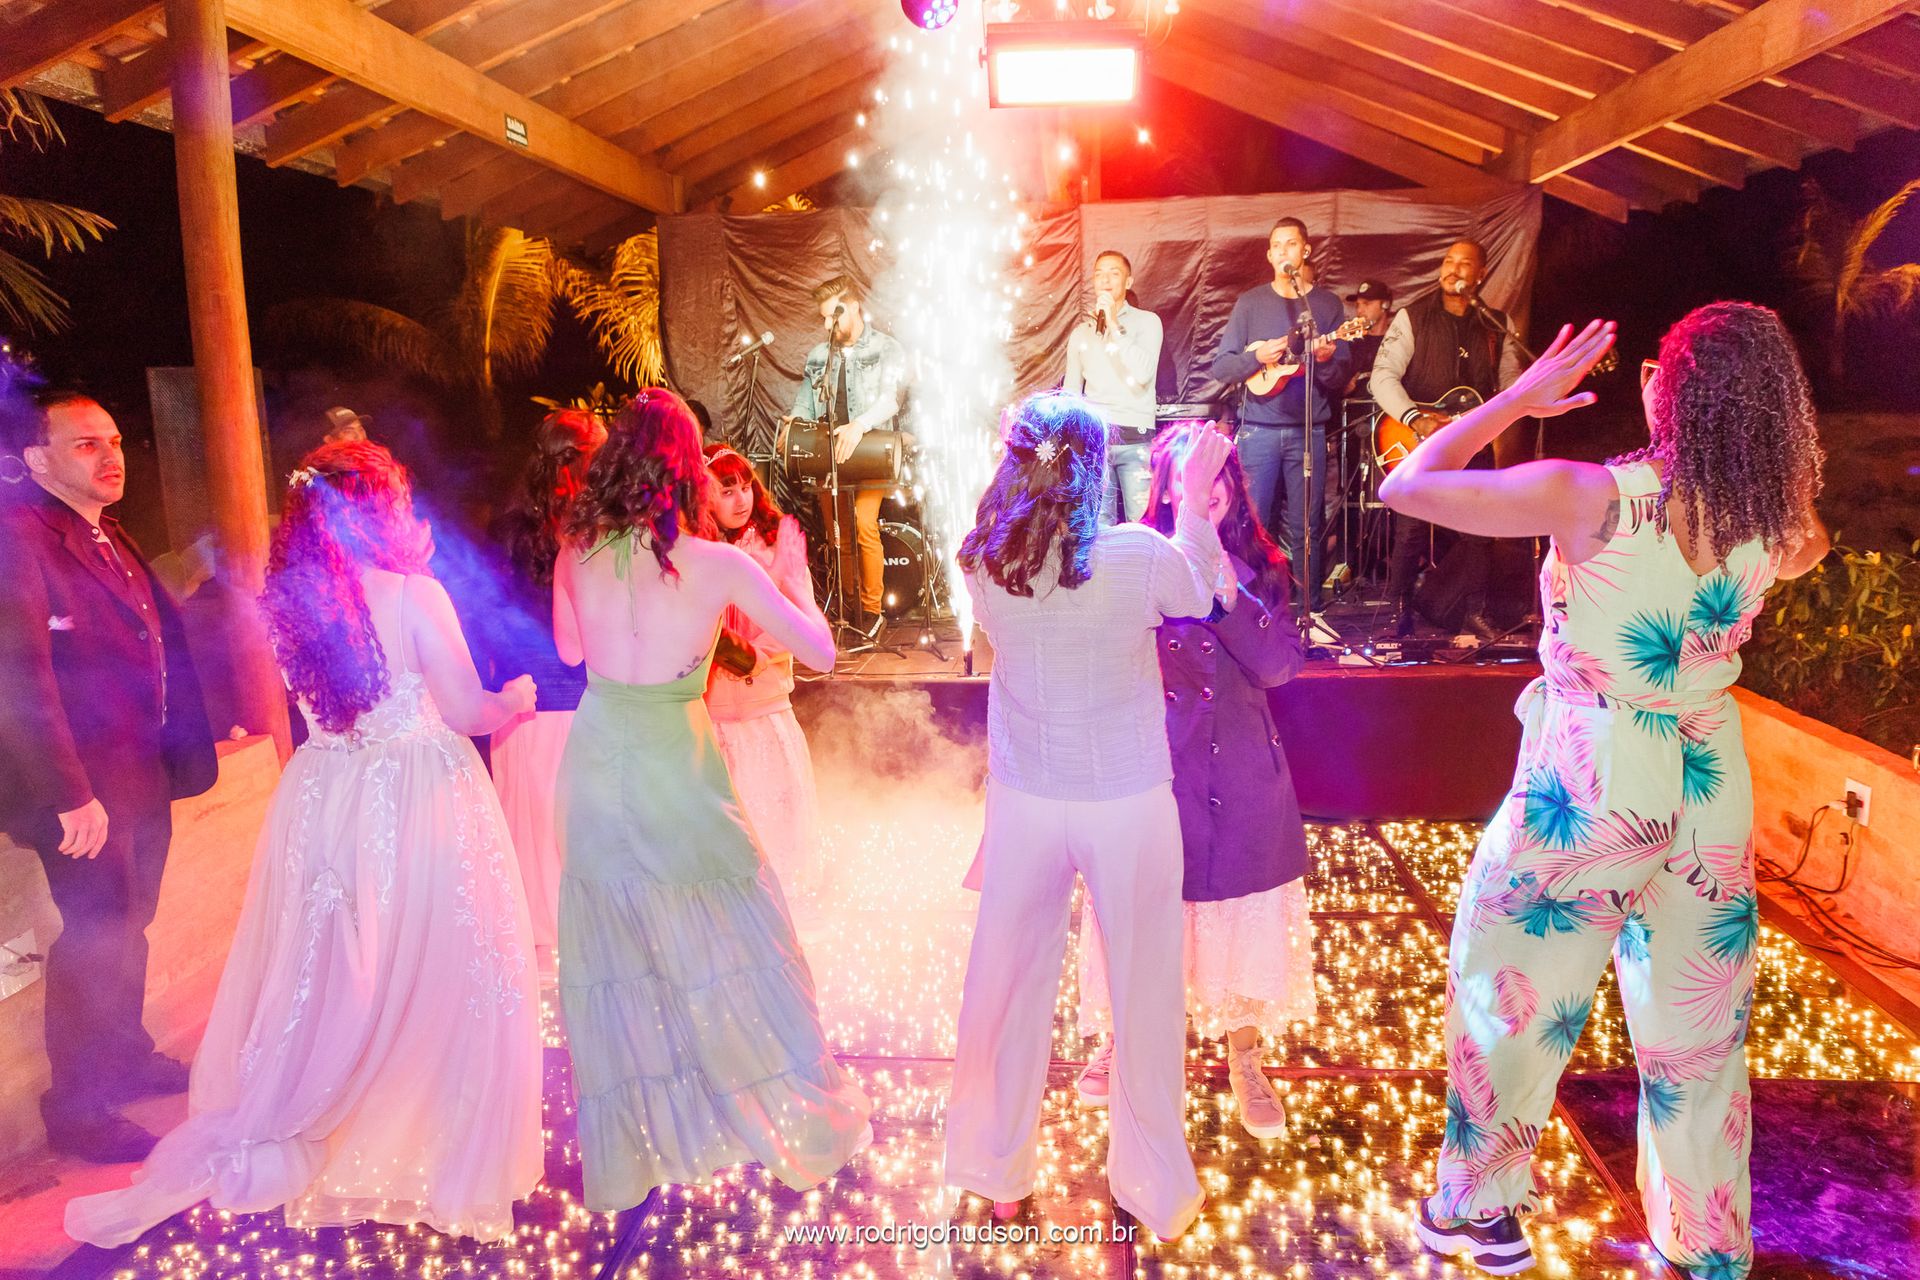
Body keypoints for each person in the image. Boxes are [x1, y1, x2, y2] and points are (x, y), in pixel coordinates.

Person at [1379, 305, 1828, 1280]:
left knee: (1513, 985)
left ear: (1668, 392)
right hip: (1709, 775)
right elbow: (1809, 543)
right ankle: (1706, 1241)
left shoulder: (1595, 495)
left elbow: (1407, 484)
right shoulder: (1778, 522)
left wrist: (1517, 397)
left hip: (1596, 771)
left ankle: (1479, 1209)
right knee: (1700, 1029)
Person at [65, 440, 545, 1245]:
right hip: (416, 793)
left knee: (338, 966)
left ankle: (330, 1104)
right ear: (382, 512)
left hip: (325, 794)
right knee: (428, 963)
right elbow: (464, 709)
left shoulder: (287, 600)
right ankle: (415, 1118)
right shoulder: (414, 593)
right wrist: (516, 701)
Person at [552, 389, 872, 1228]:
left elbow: (571, 650)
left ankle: (646, 1142)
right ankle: (775, 1112)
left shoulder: (576, 548)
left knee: (620, 958)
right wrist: (774, 584)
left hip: (593, 764)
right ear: (687, 467)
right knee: (742, 934)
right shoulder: (715, 563)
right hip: (676, 766)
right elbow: (823, 651)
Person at [944, 392, 1231, 1242]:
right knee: (1145, 994)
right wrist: (1192, 504)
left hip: (1027, 801)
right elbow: (1204, 596)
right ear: (1093, 465)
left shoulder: (982, 561)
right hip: (1125, 803)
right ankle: (1146, 1187)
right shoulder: (1137, 556)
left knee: (1006, 983)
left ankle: (997, 1178)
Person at [1073, 424, 1315, 1141]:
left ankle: (1245, 1059)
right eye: (1192, 478)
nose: (1208, 493)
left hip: (1241, 772)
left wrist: (1227, 587)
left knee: (1236, 921)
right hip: (1157, 770)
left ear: (1234, 488)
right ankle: (1117, 1037)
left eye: (1220, 478)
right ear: (1167, 489)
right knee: (1141, 910)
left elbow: (1278, 666)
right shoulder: (1132, 560)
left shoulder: (1262, 567)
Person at [0, 389, 217, 1165]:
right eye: (87, 444)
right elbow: (19, 674)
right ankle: (79, 1108)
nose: (112, 454)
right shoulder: (19, 537)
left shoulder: (106, 534)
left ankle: (123, 1057)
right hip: (82, 790)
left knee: (131, 922)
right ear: (37, 459)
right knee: (95, 935)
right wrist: (69, 794)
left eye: (115, 439)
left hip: (138, 775)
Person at [486, 408, 607, 976]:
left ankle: (556, 943)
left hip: (544, 696)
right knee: (554, 825)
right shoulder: (548, 526)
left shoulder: (523, 519)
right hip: (544, 698)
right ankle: (559, 947)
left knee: (548, 829)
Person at [1369, 239, 1523, 638]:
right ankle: (1396, 612)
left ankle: (1473, 611)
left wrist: (1529, 396)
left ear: (1481, 274)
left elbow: (1510, 387)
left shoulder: (1497, 325)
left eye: (1465, 263)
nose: (1453, 268)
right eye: (1449, 261)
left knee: (1479, 531)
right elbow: (1381, 377)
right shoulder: (1412, 316)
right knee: (1411, 530)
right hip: (1417, 439)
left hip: (1473, 441)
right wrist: (1413, 417)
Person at [702, 441, 824, 915]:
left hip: (766, 710)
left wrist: (751, 657)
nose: (740, 499)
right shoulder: (696, 552)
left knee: (776, 838)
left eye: (745, 486)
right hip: (709, 717)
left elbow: (799, 625)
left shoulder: (774, 542)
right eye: (725, 489)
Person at [1208, 218, 1352, 613]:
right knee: (1253, 523)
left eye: (1292, 244)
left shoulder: (1325, 305)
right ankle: (1254, 609)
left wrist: (1323, 360)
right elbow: (1222, 367)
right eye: (1277, 246)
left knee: (1308, 526)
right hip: (1259, 431)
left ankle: (1311, 611)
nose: (1284, 251)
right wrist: (1257, 357)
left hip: (1309, 431)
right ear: (1270, 255)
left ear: (1305, 251)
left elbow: (1340, 376)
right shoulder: (1251, 303)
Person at [785, 275, 906, 634]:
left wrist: (860, 425)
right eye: (822, 318)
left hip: (868, 452)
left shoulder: (887, 349)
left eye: (832, 316)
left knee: (863, 523)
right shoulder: (819, 355)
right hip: (830, 455)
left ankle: (872, 612)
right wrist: (794, 423)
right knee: (838, 532)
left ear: (853, 306)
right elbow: (806, 402)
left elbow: (890, 398)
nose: (827, 324)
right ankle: (848, 608)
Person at [1063, 250, 1164, 525]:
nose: (1105, 280)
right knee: (1100, 528)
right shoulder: (1082, 333)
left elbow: (1143, 373)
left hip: (1136, 438)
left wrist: (1114, 325)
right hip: (1096, 441)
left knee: (1142, 526)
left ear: (1128, 282)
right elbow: (1072, 392)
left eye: (1114, 273)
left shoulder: (1148, 322)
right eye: (1099, 274)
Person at [1343, 279, 1394, 396]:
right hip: (1355, 411)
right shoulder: (1351, 342)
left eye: (1366, 303)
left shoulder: (1397, 341)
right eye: (1357, 305)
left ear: (1385, 305)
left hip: (1387, 411)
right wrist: (1343, 388)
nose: (1360, 311)